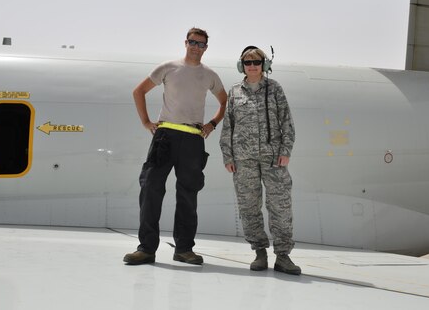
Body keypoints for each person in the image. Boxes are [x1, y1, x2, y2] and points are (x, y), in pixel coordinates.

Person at [123, 27, 227, 266]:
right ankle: (146, 249)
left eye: (201, 44)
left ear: (206, 48)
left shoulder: (210, 75)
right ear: (186, 43)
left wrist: (212, 123)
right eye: (192, 42)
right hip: (165, 136)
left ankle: (184, 249)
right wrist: (146, 122)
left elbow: (224, 102)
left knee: (188, 194)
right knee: (151, 189)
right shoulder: (168, 68)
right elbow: (138, 91)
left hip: (193, 139)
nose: (196, 47)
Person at [219, 46, 300, 275]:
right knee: (248, 207)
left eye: (256, 62)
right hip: (243, 161)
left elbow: (287, 122)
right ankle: (259, 252)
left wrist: (285, 151)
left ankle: (283, 256)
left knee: (280, 206)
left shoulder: (274, 89)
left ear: (264, 65)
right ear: (241, 66)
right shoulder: (235, 92)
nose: (252, 67)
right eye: (247, 63)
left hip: (274, 159)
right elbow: (228, 127)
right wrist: (228, 155)